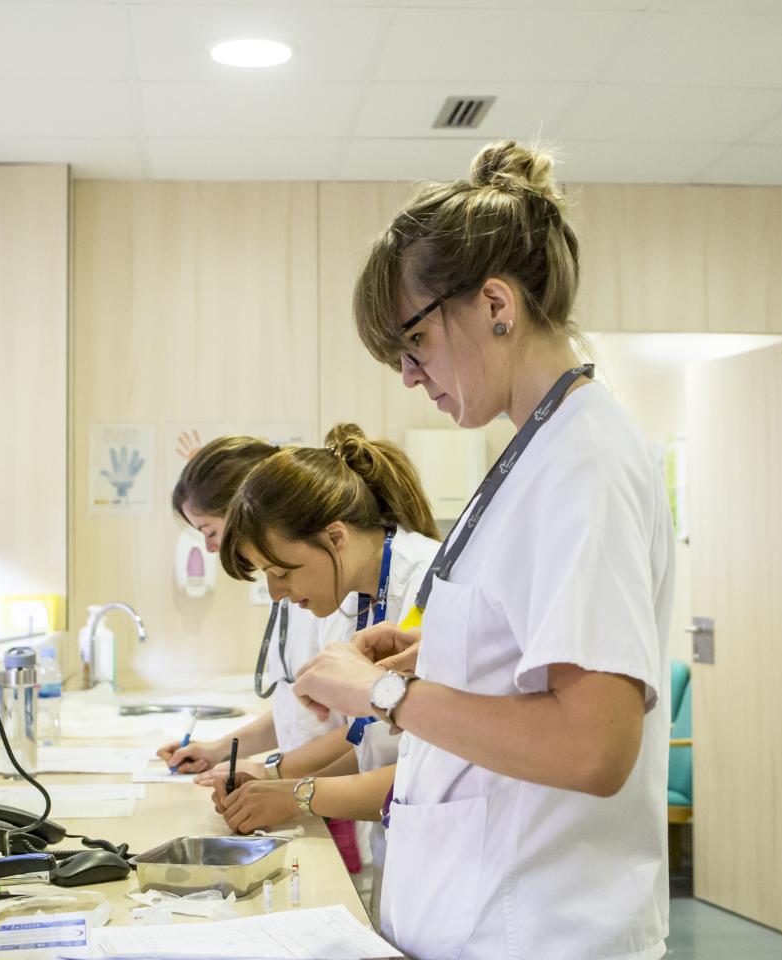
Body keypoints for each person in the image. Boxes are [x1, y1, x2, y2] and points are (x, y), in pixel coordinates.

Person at [293, 140, 674, 960]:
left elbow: (595, 744)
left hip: (540, 928)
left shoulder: (584, 461)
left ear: (496, 305)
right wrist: (432, 654)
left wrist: (380, 698)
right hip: (478, 914)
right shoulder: (536, 448)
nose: (406, 375)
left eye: (414, 344)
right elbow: (544, 644)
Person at [211, 424, 441, 921]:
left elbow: (438, 769)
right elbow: (368, 738)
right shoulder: (363, 593)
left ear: (335, 537)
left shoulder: (427, 583)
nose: (275, 593)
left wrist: (296, 794)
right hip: (407, 855)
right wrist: (274, 784)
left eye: (282, 572)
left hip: (452, 871)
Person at [157, 435, 342, 774]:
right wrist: (218, 751)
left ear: (242, 508)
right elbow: (297, 714)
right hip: (309, 787)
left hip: (328, 793)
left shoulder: (328, 589)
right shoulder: (292, 586)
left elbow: (363, 731)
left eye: (209, 531)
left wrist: (274, 775)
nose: (211, 548)